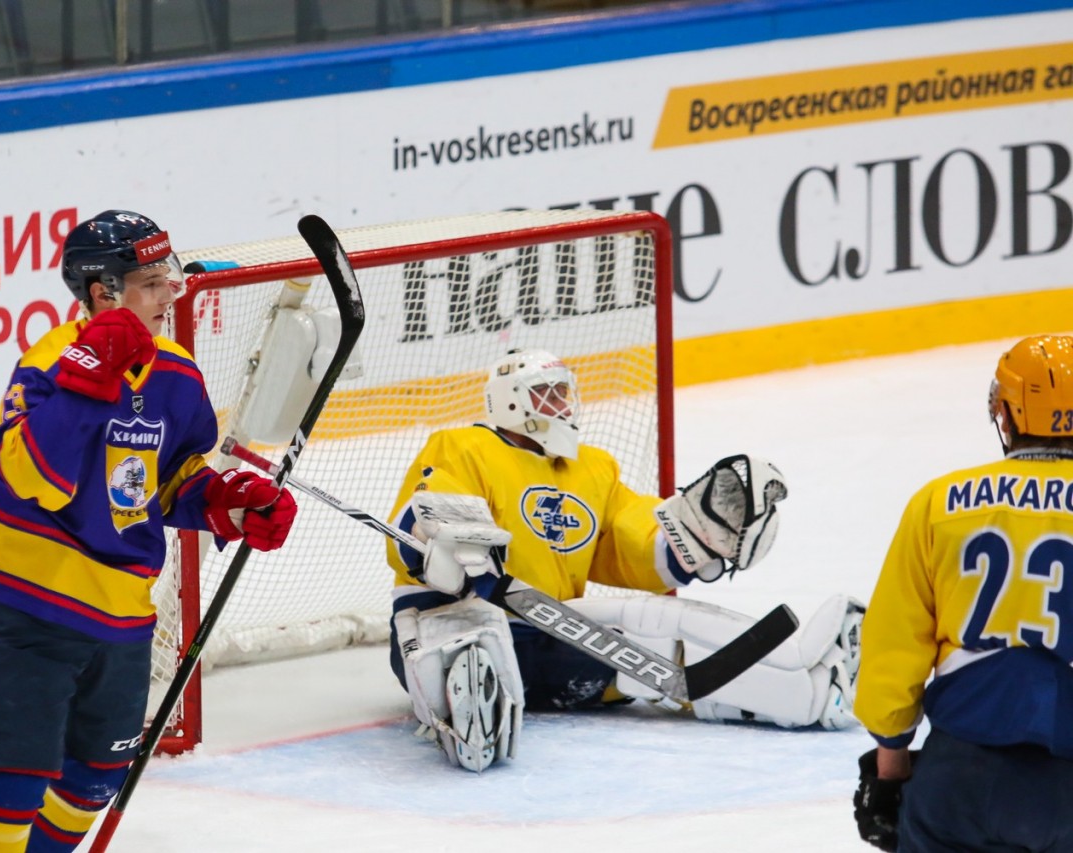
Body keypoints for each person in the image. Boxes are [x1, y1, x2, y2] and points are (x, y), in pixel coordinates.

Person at [0, 210, 298, 853]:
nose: (171, 290)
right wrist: (90, 379)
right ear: (101, 291)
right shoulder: (50, 361)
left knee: (93, 780)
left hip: (122, 617)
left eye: (168, 274)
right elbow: (30, 473)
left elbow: (165, 484)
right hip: (31, 607)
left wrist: (226, 500)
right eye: (151, 280)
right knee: (9, 794)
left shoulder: (176, 372)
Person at [386, 348, 866, 771]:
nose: (562, 405)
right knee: (651, 658)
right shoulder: (466, 447)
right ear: (510, 401)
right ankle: (806, 701)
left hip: (548, 619)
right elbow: (427, 506)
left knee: (666, 616)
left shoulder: (592, 468)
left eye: (564, 392)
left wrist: (691, 540)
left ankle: (804, 662)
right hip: (458, 618)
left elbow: (629, 537)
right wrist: (446, 542)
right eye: (546, 394)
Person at [852, 334, 1073, 852]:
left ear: (1008, 414)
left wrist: (890, 776)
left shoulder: (939, 503)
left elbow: (893, 650)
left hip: (958, 780)